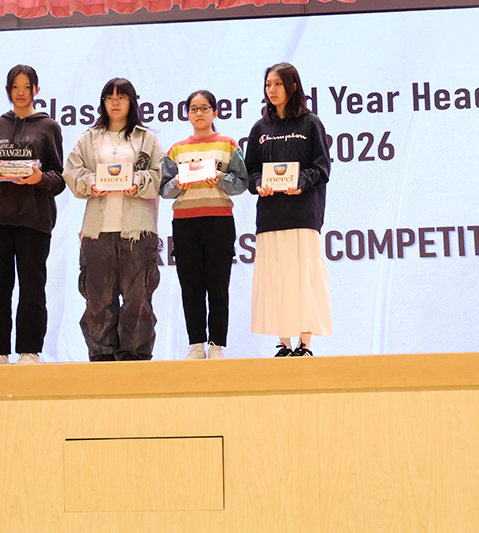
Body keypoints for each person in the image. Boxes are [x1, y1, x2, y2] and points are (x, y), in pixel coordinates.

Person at [63, 78, 165, 361]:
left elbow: (161, 174)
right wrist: (92, 183)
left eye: (122, 97)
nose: (115, 102)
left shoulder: (146, 138)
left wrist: (137, 182)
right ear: (103, 103)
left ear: (132, 102)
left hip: (138, 231)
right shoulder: (89, 138)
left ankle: (135, 358)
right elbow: (71, 172)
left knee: (138, 300)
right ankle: (102, 360)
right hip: (97, 232)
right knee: (98, 301)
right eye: (109, 97)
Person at [0, 65, 65, 365]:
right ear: (8, 90)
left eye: (26, 87)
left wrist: (40, 179)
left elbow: (58, 179)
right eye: (15, 87)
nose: (21, 92)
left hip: (34, 220)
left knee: (32, 287)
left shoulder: (49, 127)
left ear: (36, 90)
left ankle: (29, 350)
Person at [245, 62, 332, 357]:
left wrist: (300, 182)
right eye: (268, 84)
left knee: (304, 276)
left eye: (278, 84)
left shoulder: (310, 123)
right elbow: (251, 170)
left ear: (293, 87)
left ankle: (304, 345)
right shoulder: (260, 128)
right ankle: (284, 343)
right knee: (276, 279)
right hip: (271, 216)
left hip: (303, 213)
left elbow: (322, 167)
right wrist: (259, 184)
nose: (271, 90)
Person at [161, 90, 249, 360]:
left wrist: (220, 178)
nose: (199, 113)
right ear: (187, 114)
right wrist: (178, 183)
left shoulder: (228, 144)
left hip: (219, 221)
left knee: (218, 285)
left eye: (204, 108)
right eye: (193, 109)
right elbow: (164, 189)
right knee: (191, 285)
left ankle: (216, 345)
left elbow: (242, 183)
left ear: (215, 112)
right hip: (185, 223)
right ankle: (196, 344)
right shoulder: (177, 149)